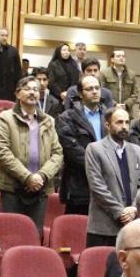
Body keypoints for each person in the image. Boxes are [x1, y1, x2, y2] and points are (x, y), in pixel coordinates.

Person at [0, 75, 63, 231]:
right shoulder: (5, 118)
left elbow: (57, 153)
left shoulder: (48, 120)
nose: (32, 92)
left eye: (36, 90)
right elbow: (2, 152)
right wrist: (27, 177)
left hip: (40, 188)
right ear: (17, 94)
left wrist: (41, 176)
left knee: (35, 234)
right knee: (12, 233)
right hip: (13, 188)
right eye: (27, 89)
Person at [84, 105, 140, 247]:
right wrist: (121, 212)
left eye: (127, 122)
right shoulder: (95, 149)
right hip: (103, 228)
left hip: (132, 225)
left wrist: (134, 208)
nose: (124, 126)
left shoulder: (136, 151)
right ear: (107, 125)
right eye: (119, 122)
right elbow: (97, 187)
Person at [56, 74, 107, 216]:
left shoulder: (109, 116)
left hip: (106, 184)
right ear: (80, 93)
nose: (95, 91)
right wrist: (98, 165)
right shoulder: (67, 117)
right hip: (79, 185)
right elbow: (71, 149)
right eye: (89, 89)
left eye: (97, 88)